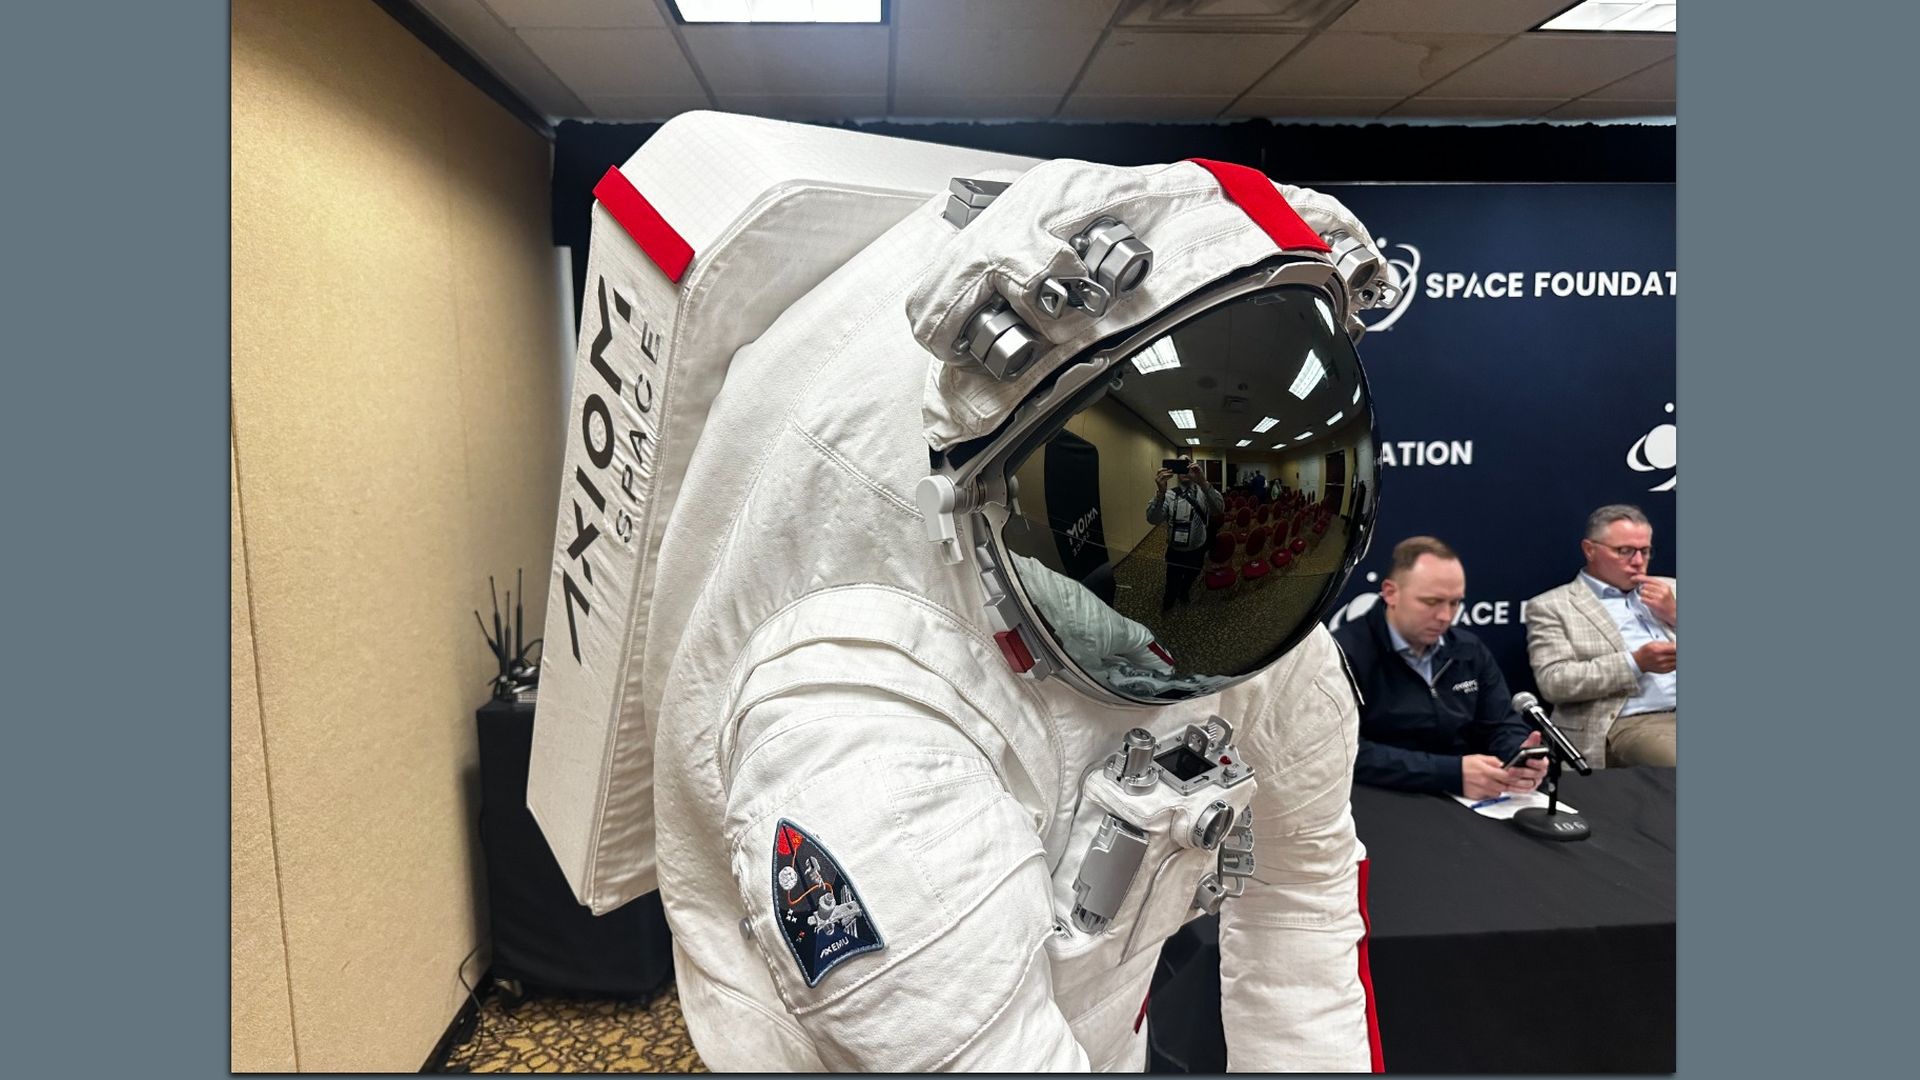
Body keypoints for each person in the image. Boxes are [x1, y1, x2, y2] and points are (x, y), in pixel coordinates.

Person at [530, 115, 1398, 1072]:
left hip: (1094, 1025)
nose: (1217, 556)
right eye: (1161, 515)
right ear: (984, 506)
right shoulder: (855, 745)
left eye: (1269, 511)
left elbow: (1305, 899)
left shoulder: (1267, 632)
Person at [1332, 537, 1548, 798]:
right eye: (1431, 602)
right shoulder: (1344, 654)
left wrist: (1519, 754)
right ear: (1391, 593)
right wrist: (1450, 772)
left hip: (1466, 798)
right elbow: (1341, 752)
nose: (1445, 616)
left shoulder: (1468, 649)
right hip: (1379, 798)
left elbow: (1500, 722)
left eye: (1455, 602)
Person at [1525, 504, 1677, 767]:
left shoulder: (1672, 589)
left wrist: (1676, 615)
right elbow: (1555, 682)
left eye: (1645, 551)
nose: (1639, 561)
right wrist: (1635, 663)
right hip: (1628, 721)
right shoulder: (1553, 606)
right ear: (1590, 550)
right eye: (1625, 551)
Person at [1147, 459, 1224, 611]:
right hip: (1175, 551)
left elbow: (1219, 509)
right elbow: (1152, 519)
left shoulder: (1204, 493)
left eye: (1187, 465)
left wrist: (1202, 481)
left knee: (1191, 576)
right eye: (1180, 465)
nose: (1184, 469)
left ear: (1194, 469)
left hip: (1198, 549)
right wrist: (1160, 493)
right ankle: (1168, 601)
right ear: (1174, 471)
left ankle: (1184, 592)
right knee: (1172, 579)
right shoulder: (1168, 495)